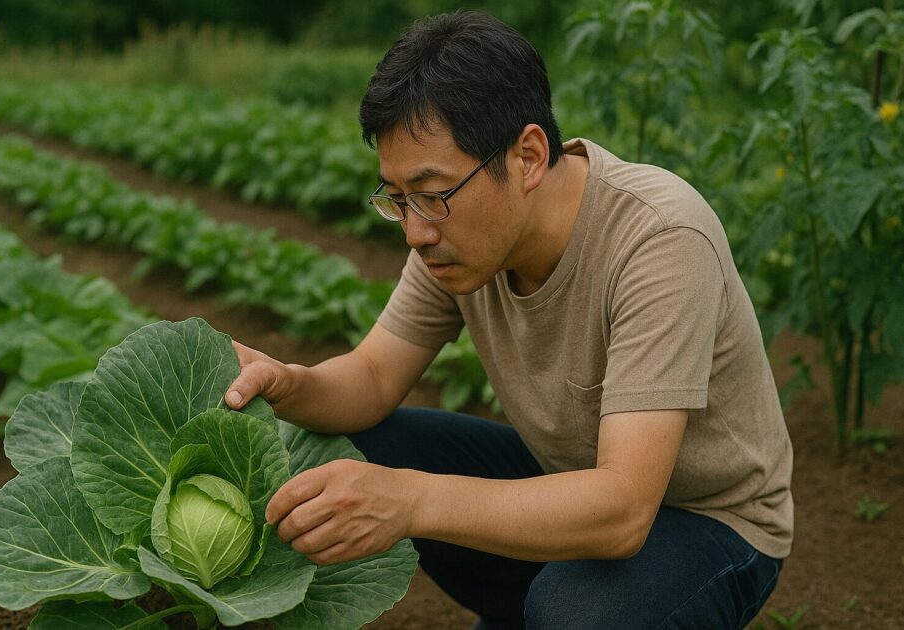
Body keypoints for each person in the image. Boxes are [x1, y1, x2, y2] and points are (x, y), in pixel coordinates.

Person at [224, 10, 792, 629]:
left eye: (432, 193)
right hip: (571, 482)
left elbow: (625, 509)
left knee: (578, 614)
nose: (414, 230)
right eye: (397, 197)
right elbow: (373, 378)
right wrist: (288, 383)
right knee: (366, 447)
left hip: (709, 520)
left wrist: (410, 500)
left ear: (527, 156)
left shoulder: (659, 240)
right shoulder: (459, 240)